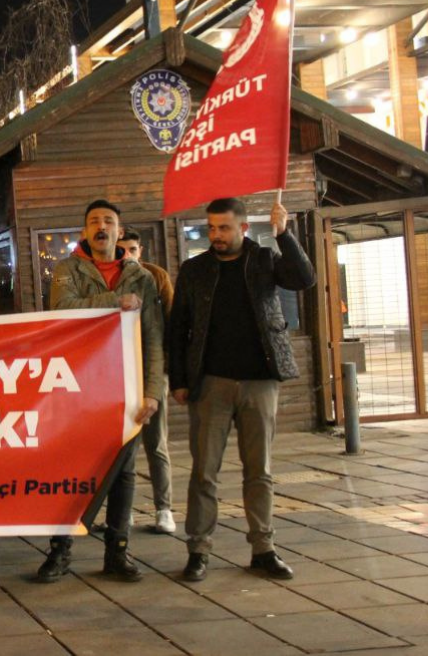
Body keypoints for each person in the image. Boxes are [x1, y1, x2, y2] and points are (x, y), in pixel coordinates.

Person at [170, 197, 315, 582]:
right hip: (210, 383)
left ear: (244, 228)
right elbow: (178, 326)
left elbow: (303, 278)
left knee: (259, 471)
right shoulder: (195, 269)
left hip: (260, 381)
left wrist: (284, 235)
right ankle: (198, 550)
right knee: (204, 472)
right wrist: (178, 380)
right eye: (211, 228)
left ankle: (263, 549)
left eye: (224, 228)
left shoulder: (264, 260)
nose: (216, 235)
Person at [35, 200, 163, 583]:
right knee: (72, 468)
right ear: (85, 231)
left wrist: (152, 391)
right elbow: (63, 309)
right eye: (94, 221)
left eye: (108, 221)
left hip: (126, 386)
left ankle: (117, 552)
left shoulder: (142, 278)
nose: (101, 227)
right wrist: (114, 302)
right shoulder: (68, 269)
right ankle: (60, 551)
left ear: (119, 231)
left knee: (124, 471)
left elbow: (153, 337)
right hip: (79, 386)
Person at [118, 228, 176, 535]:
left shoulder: (157, 277)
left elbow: (170, 322)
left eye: (132, 249)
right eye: (122, 249)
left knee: (156, 443)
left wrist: (165, 368)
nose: (127, 255)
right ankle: (122, 510)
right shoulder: (111, 280)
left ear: (140, 251)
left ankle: (163, 508)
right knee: (122, 446)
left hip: (152, 369)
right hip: (119, 371)